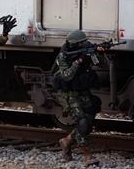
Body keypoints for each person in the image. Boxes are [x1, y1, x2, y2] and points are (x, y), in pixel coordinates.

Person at [55, 30, 104, 166]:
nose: (84, 44)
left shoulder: (86, 48)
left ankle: (66, 141)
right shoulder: (63, 56)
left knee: (88, 121)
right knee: (82, 123)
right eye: (81, 43)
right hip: (69, 94)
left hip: (83, 91)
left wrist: (96, 54)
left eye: (85, 42)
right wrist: (78, 61)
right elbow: (66, 76)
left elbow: (100, 64)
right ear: (74, 44)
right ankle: (87, 156)